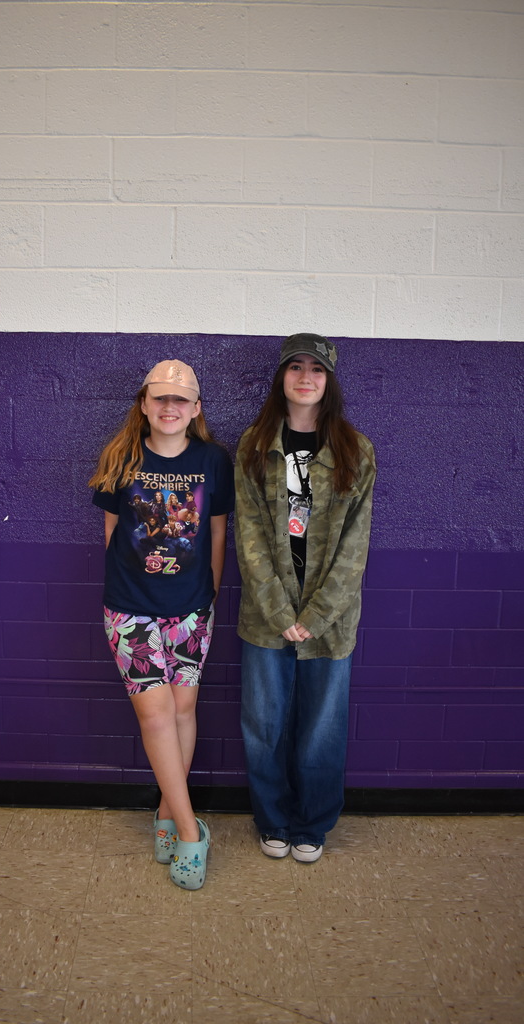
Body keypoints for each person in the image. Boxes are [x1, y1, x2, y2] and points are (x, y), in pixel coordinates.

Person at [90, 359, 234, 889]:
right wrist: (133, 596)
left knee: (182, 709)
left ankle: (167, 814)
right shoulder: (122, 458)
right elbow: (111, 534)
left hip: (192, 608)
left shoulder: (213, 461)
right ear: (145, 405)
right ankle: (193, 831)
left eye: (181, 400)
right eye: (160, 399)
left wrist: (208, 596)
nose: (170, 408)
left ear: (196, 409)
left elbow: (217, 534)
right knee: (155, 716)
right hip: (131, 608)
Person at [234, 333, 376, 864]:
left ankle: (312, 825)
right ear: (281, 378)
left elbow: (354, 547)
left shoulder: (355, 451)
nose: (305, 377)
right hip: (266, 618)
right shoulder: (253, 446)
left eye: (316, 368)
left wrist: (315, 616)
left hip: (330, 624)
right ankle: (272, 819)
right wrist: (280, 613)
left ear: (329, 379)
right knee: (263, 725)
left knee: (321, 729)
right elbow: (249, 540)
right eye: (295, 366)